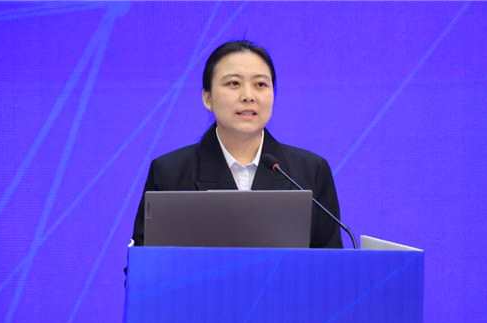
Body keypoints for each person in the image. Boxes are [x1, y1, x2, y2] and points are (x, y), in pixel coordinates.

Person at [132, 40, 343, 248]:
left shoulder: (310, 172)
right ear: (207, 98)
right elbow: (144, 263)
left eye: (260, 84)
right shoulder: (170, 173)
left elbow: (331, 263)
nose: (248, 96)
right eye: (233, 83)